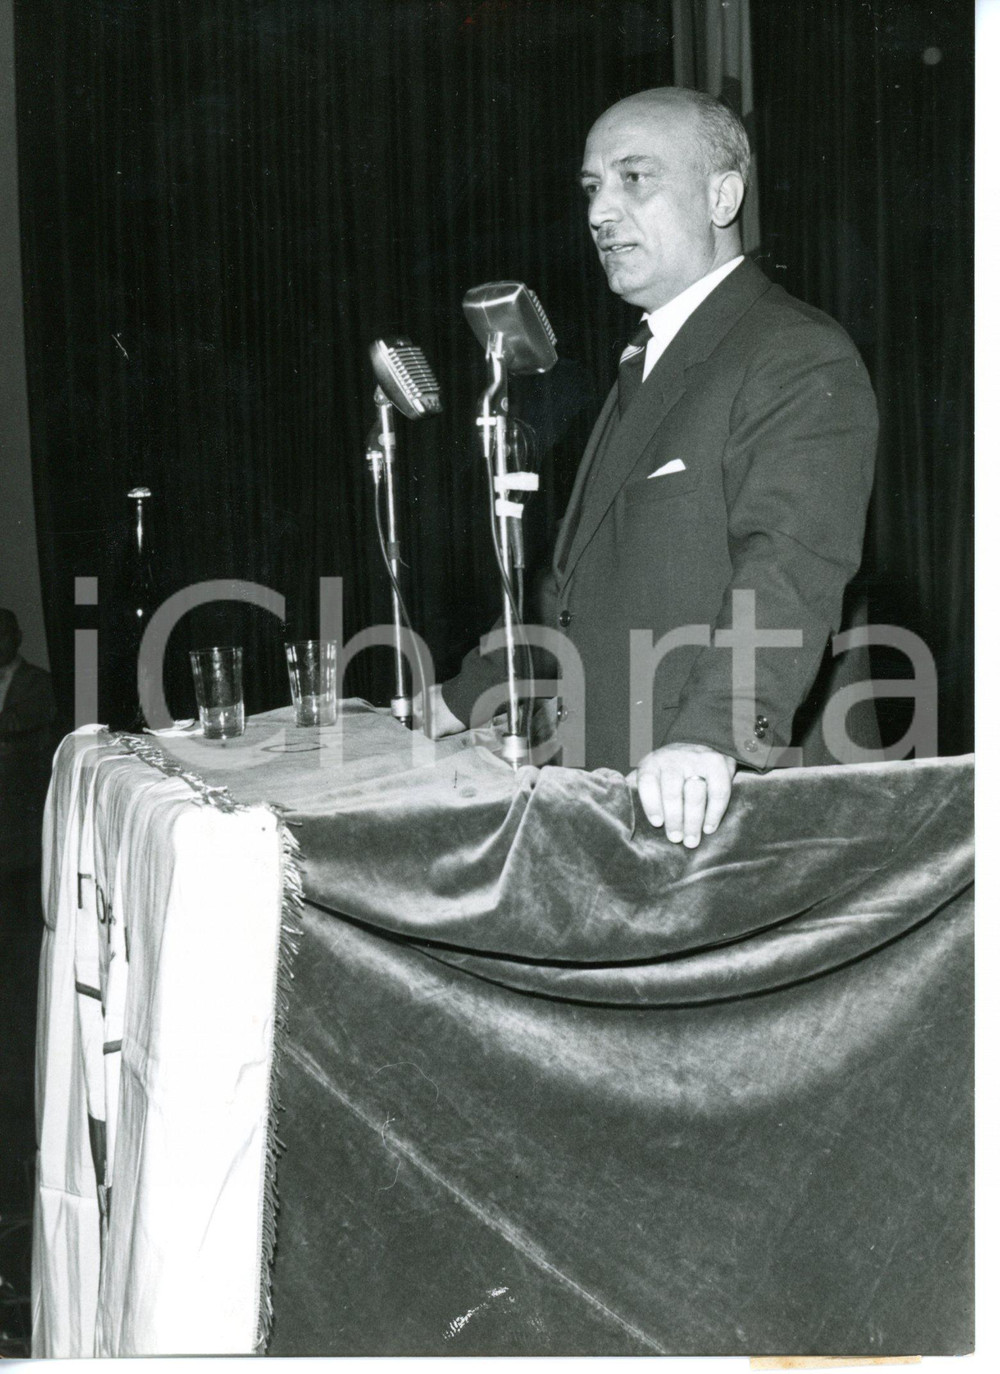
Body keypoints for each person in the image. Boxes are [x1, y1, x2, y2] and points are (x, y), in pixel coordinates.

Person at [424, 87, 879, 848]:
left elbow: (790, 568)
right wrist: (449, 703)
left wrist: (713, 737)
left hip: (718, 809)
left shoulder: (793, 351)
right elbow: (567, 596)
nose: (602, 212)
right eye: (593, 188)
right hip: (612, 794)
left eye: (635, 179)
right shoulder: (647, 358)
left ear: (723, 194)